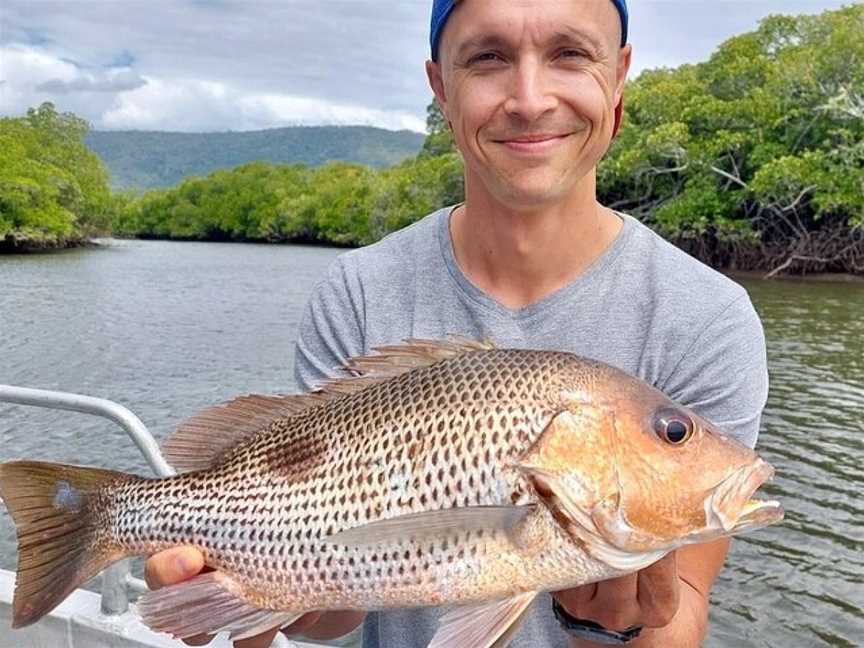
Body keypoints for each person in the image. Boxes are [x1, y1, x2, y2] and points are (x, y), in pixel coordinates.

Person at [145, 0, 769, 646]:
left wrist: (603, 622)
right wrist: (250, 591)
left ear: (618, 78)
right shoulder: (360, 290)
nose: (529, 99)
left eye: (571, 54)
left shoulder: (707, 318)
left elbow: (682, 614)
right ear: (441, 88)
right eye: (489, 57)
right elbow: (337, 612)